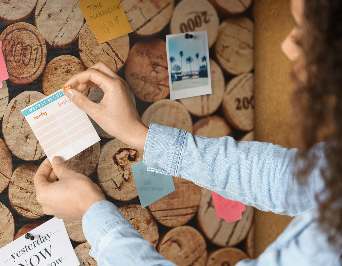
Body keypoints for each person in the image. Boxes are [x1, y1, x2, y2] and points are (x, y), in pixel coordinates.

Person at [33, 0, 342, 264]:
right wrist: (138, 134)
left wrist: (91, 210)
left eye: (306, 32)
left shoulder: (327, 247)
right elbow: (283, 178)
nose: (288, 47)